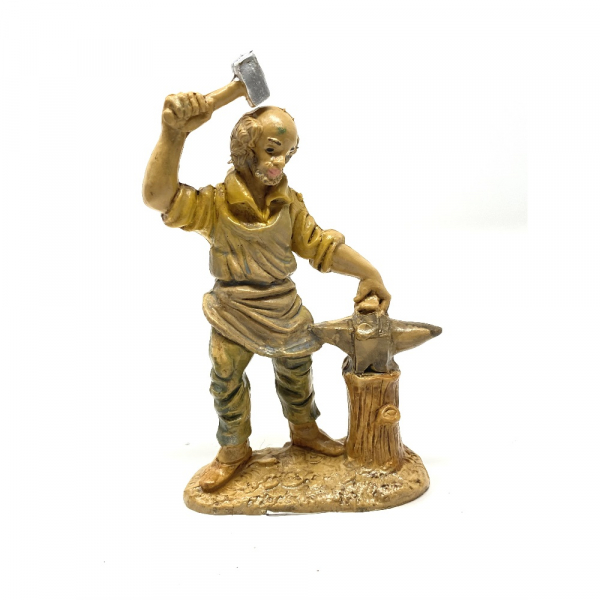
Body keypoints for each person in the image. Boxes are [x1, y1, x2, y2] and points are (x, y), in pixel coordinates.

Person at [143, 92, 391, 491]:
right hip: (232, 308)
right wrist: (174, 135)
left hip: (284, 308)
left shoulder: (289, 204)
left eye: (288, 154)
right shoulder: (214, 204)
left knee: (297, 371)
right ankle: (233, 450)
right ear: (245, 149)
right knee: (225, 376)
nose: (280, 162)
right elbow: (158, 197)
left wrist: (369, 273)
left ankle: (305, 430)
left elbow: (320, 246)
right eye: (272, 150)